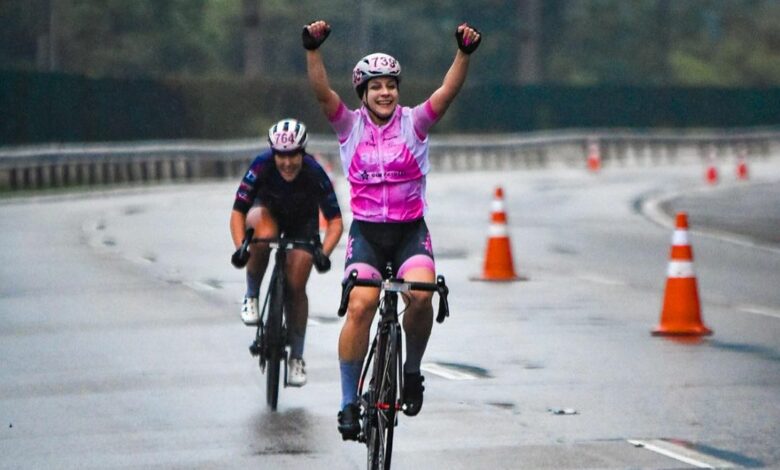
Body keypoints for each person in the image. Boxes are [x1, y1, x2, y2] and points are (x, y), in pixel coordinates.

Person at [302, 20, 481, 438]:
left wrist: (463, 54)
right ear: (363, 94)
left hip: (408, 233)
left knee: (421, 297)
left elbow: (446, 92)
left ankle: (412, 371)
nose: (385, 92)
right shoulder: (349, 127)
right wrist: (312, 51)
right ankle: (348, 401)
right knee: (362, 304)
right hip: (367, 234)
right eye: (376, 86)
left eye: (391, 85)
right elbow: (321, 93)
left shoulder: (414, 123)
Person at [230, 118, 343, 387]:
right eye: (281, 156)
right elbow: (237, 212)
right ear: (273, 153)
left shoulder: (315, 172)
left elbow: (336, 222)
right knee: (263, 237)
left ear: (302, 152)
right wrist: (241, 249)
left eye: (293, 155)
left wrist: (323, 253)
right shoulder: (261, 165)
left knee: (296, 283)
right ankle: (251, 295)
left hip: (302, 225)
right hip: (266, 214)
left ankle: (297, 357)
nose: (288, 162)